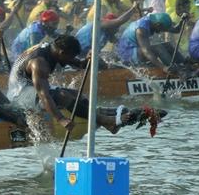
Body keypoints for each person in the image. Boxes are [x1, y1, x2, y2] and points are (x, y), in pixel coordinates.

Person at [10, 34, 164, 134]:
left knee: (75, 95)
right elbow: (44, 95)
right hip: (19, 95)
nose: (71, 60)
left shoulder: (55, 49)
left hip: (30, 87)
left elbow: (79, 64)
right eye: (70, 57)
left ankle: (102, 116)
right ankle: (105, 121)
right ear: (62, 53)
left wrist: (88, 60)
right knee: (62, 95)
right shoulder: (39, 63)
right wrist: (61, 119)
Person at [116, 11, 188, 71]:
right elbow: (146, 52)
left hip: (136, 49)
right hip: (126, 54)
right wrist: (163, 67)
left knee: (168, 45)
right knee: (158, 48)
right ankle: (174, 70)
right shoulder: (141, 29)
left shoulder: (155, 21)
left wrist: (182, 20)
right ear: (158, 25)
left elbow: (176, 30)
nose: (161, 32)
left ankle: (184, 63)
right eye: (161, 29)